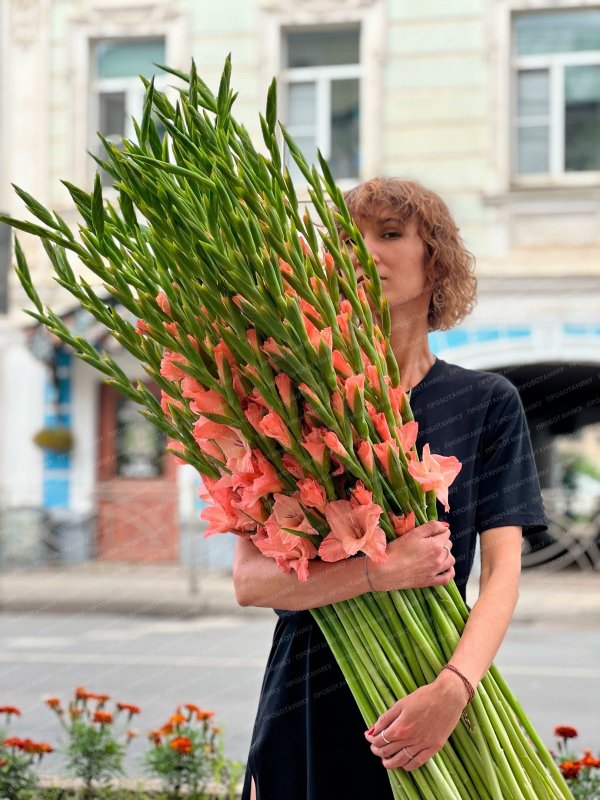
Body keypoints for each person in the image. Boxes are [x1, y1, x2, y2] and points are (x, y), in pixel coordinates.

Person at [235, 178, 548, 800]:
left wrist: (454, 688)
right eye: (350, 240)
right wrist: (383, 571)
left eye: (391, 234)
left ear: (437, 259)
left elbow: (503, 573)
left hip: (430, 690)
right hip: (305, 695)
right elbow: (250, 583)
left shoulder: (486, 403)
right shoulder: (288, 403)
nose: (366, 253)